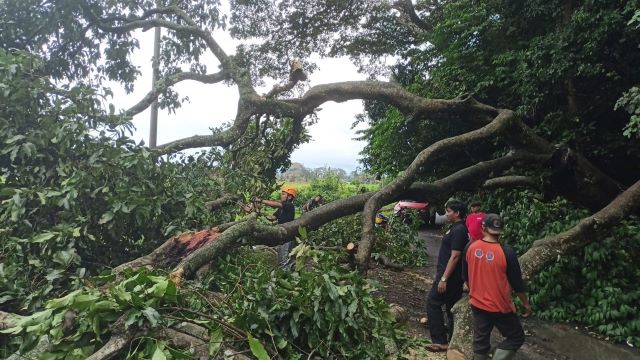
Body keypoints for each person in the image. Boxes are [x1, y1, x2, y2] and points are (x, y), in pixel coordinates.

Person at [463, 213, 531, 360]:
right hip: (500, 306)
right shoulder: (507, 252)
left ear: (483, 227)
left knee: (480, 342)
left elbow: (466, 277)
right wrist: (525, 303)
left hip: (477, 303)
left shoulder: (470, 247)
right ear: (501, 230)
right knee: (516, 337)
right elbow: (517, 284)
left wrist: (474, 290)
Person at [426, 199, 469, 352]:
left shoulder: (458, 230)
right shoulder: (457, 228)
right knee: (451, 308)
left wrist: (443, 278)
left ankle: (440, 341)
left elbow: (456, 256)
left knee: (432, 303)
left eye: (449, 211)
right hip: (452, 276)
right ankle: (453, 341)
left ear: (457, 213)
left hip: (450, 277)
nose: (446, 214)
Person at [255, 187, 297, 267]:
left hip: (288, 235)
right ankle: (282, 273)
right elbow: (272, 218)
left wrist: (261, 200)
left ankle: (286, 274)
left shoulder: (289, 206)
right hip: (282, 234)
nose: (281, 196)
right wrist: (260, 213)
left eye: (283, 194)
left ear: (290, 197)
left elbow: (275, 204)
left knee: (285, 256)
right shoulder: (281, 209)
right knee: (280, 254)